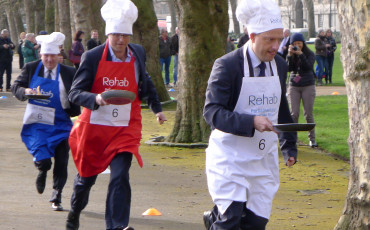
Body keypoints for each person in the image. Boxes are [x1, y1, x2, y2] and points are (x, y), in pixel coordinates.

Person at [65, 0, 167, 229]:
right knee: (85, 180)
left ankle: (117, 226)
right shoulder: (92, 57)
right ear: (108, 33)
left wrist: (157, 108)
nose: (121, 41)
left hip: (125, 128)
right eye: (116, 35)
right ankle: (75, 211)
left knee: (120, 176)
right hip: (95, 130)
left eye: (125, 35)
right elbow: (74, 93)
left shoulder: (137, 53)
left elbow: (146, 82)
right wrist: (96, 99)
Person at [202, 0, 298, 229]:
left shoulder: (280, 65)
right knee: (231, 220)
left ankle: (213, 218)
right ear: (252, 36)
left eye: (279, 39)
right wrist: (251, 121)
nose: (276, 46)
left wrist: (289, 146)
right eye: (269, 39)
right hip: (230, 158)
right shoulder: (227, 65)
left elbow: (281, 109)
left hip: (263, 159)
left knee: (256, 223)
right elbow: (212, 112)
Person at [11, 32, 80, 211]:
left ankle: (57, 194)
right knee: (45, 161)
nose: (49, 60)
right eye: (45, 56)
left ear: (59, 56)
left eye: (52, 56)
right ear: (41, 55)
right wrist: (26, 92)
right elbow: (15, 86)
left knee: (62, 159)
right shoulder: (31, 67)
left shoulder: (69, 72)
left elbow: (79, 93)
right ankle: (42, 170)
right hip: (38, 123)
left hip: (61, 122)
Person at [287, 33, 318, 148]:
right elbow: (288, 68)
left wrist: (301, 55)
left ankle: (312, 138)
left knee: (308, 114)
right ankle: (293, 139)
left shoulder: (309, 54)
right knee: (294, 113)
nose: (297, 46)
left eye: (299, 43)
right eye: (294, 44)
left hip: (307, 85)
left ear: (303, 44)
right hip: (294, 85)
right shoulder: (291, 54)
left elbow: (308, 66)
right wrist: (290, 56)